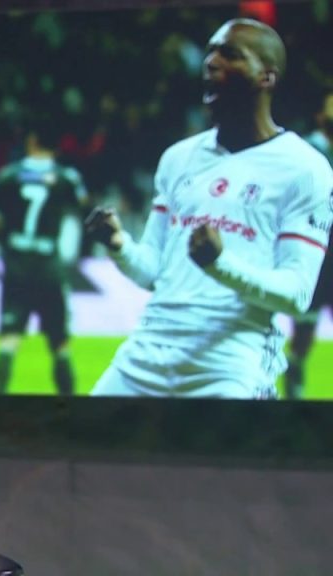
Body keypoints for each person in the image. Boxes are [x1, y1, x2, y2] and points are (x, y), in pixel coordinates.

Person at [85, 18, 333, 399]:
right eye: (210, 52)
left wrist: (220, 264)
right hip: (147, 353)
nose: (211, 62)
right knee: (77, 434)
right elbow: (154, 272)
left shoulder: (305, 169)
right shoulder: (178, 158)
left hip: (229, 362)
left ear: (266, 77)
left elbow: (297, 295)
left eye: (230, 54)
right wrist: (120, 246)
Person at [0, 119, 87, 395]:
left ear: (31, 141)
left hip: (17, 264)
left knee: (9, 340)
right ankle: (69, 409)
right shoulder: (67, 178)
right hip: (49, 265)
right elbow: (84, 211)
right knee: (60, 345)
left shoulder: (8, 176)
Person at [285, 91, 333, 399]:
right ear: (320, 116)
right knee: (304, 332)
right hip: (315, 258)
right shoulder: (308, 153)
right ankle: (295, 375)